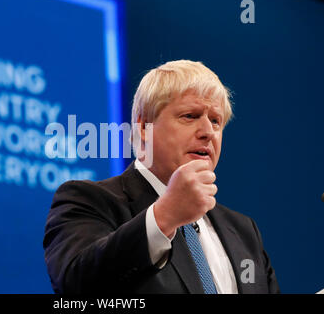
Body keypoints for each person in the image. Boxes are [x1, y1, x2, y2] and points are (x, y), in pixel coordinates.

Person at [43, 60, 280, 294]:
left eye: (216, 121)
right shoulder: (89, 200)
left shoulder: (243, 231)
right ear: (144, 126)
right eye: (190, 115)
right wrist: (164, 216)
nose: (208, 132)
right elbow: (76, 286)